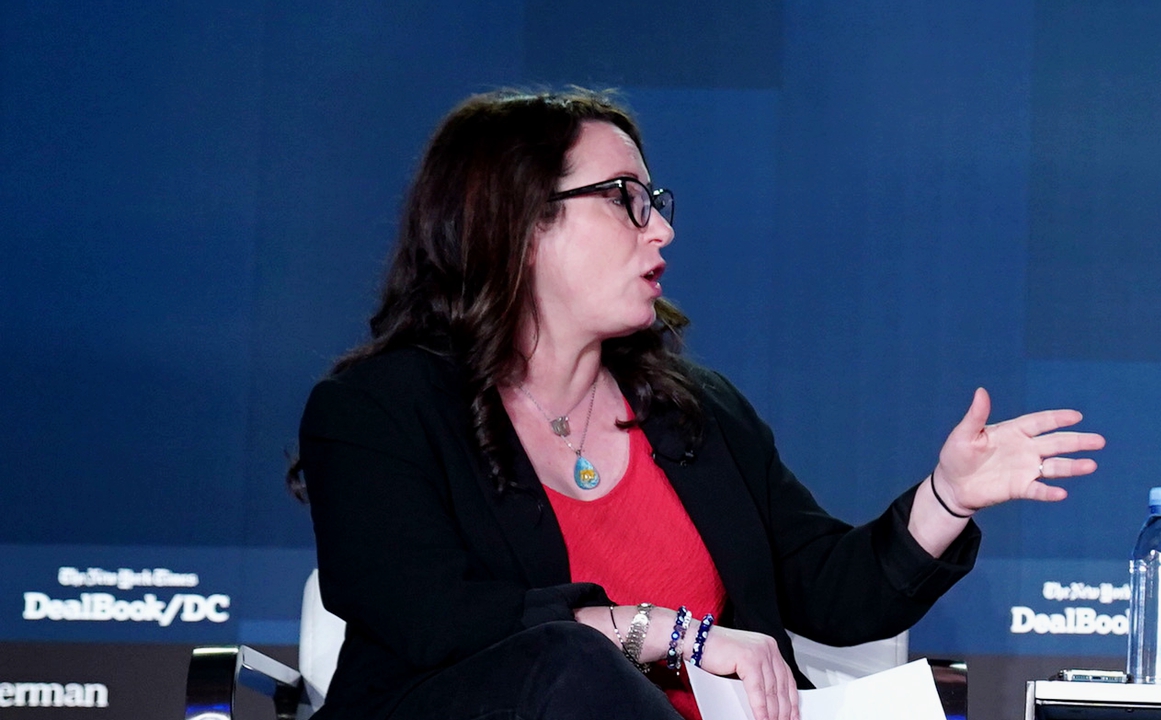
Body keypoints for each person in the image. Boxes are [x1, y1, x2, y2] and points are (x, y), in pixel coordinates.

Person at [293, 88, 1105, 720]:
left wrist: (947, 496)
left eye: (657, 202)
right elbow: (439, 619)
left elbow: (831, 589)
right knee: (575, 666)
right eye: (626, 199)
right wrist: (670, 634)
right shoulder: (374, 411)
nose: (661, 232)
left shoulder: (691, 414)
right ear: (518, 223)